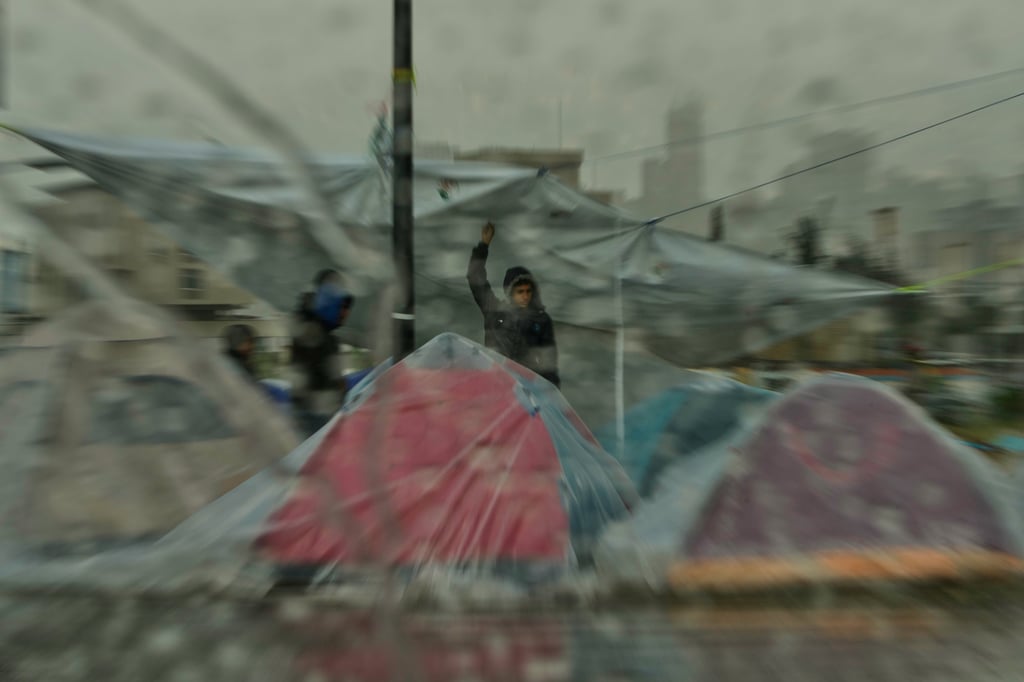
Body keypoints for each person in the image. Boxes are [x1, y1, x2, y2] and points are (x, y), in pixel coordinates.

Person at [467, 221, 560, 388]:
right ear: (510, 293)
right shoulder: (494, 310)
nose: (525, 296)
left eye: (528, 291)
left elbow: (549, 363)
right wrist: (484, 244)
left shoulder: (541, 320)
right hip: (495, 382)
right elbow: (475, 277)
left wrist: (552, 394)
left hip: (525, 386)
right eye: (520, 292)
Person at [290, 269, 355, 435]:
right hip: (316, 416)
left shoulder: (317, 326)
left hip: (318, 413)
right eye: (342, 304)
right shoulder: (312, 329)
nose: (345, 312)